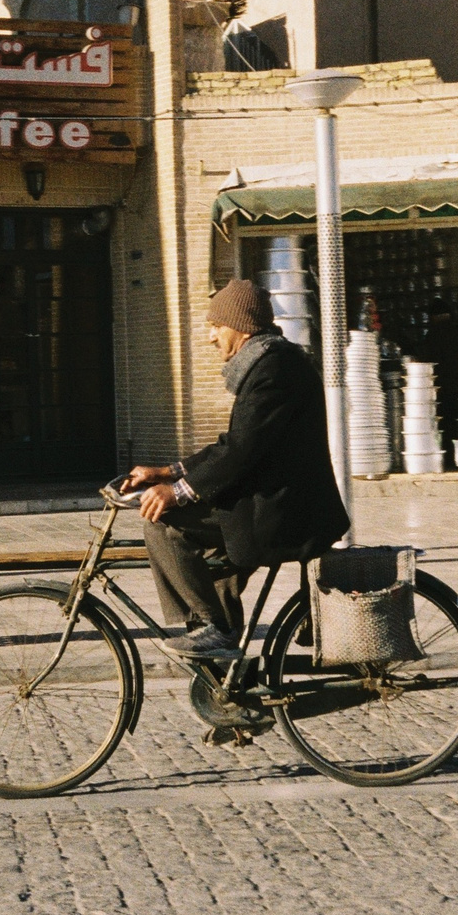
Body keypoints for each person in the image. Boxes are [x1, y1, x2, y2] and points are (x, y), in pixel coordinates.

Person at [118, 278, 349, 659]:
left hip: (284, 510)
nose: (211, 337)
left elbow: (241, 452)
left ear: (240, 326)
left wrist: (176, 493)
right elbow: (234, 445)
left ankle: (216, 631)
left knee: (163, 526)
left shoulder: (274, 370)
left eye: (215, 326)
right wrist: (167, 472)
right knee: (212, 572)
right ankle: (230, 690)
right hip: (276, 499)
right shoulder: (269, 363)